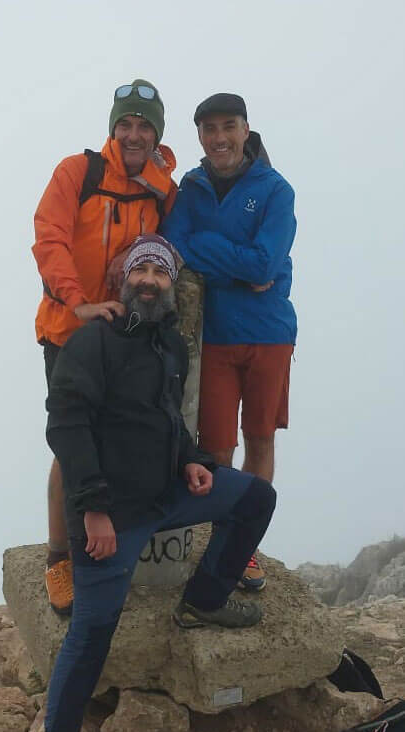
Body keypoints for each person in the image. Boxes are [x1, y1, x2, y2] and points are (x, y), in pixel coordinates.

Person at [29, 234, 276, 732]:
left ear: (170, 285)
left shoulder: (170, 344)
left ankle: (204, 599)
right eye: (139, 269)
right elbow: (66, 426)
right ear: (123, 280)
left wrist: (192, 460)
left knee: (255, 499)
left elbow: (167, 420)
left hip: (166, 494)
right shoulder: (94, 342)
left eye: (159, 272)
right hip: (110, 516)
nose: (148, 279)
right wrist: (92, 511)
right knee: (90, 636)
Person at [32, 79, 178, 617]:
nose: (134, 135)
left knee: (119, 437)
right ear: (113, 128)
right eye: (126, 124)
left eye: (145, 127)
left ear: (156, 134)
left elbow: (174, 241)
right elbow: (49, 239)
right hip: (70, 329)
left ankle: (107, 546)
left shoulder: (159, 188)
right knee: (72, 443)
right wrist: (79, 303)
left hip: (126, 332)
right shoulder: (78, 172)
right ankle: (59, 557)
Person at [161, 93, 296, 592]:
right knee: (216, 446)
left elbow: (265, 265)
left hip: (269, 333)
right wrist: (237, 262)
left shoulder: (276, 190)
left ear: (245, 129)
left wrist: (210, 253)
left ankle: (244, 544)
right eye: (209, 128)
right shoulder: (191, 187)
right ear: (199, 135)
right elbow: (176, 243)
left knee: (259, 438)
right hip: (215, 335)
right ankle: (223, 541)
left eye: (228, 126)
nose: (219, 138)